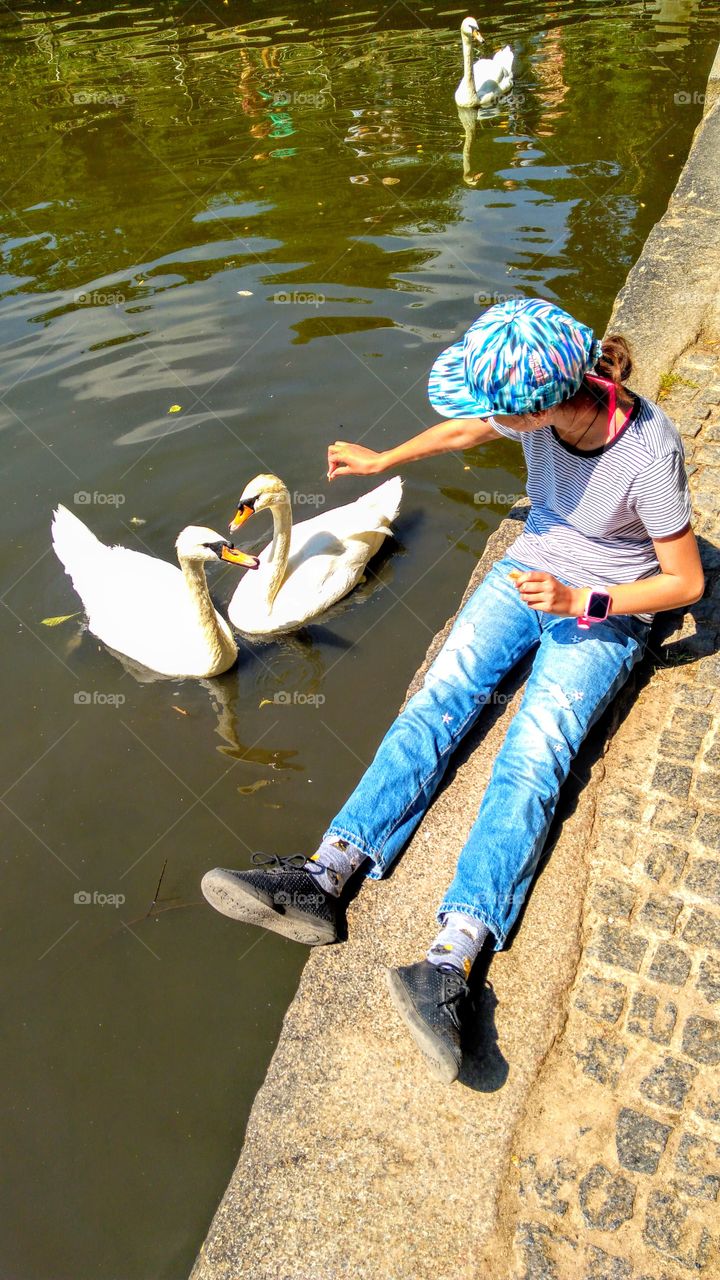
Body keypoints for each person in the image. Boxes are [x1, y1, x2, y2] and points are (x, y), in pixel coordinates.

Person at [202, 298, 703, 1085]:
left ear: (539, 404)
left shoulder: (648, 452)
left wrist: (583, 604)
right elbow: (468, 427)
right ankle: (325, 875)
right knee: (442, 696)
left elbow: (685, 581)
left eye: (503, 410)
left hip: (605, 606)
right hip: (527, 570)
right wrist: (383, 460)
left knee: (534, 752)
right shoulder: (538, 412)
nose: (490, 421)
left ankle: (452, 963)